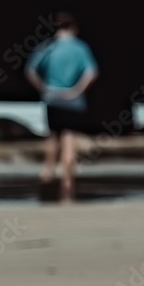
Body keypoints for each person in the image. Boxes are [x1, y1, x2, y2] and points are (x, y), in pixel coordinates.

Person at [25, 11, 99, 203]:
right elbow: (92, 72)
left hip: (52, 98)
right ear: (74, 27)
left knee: (53, 137)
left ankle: (48, 171)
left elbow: (30, 70)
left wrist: (43, 89)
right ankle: (67, 184)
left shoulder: (48, 47)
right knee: (68, 139)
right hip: (72, 101)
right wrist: (77, 90)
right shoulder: (80, 47)